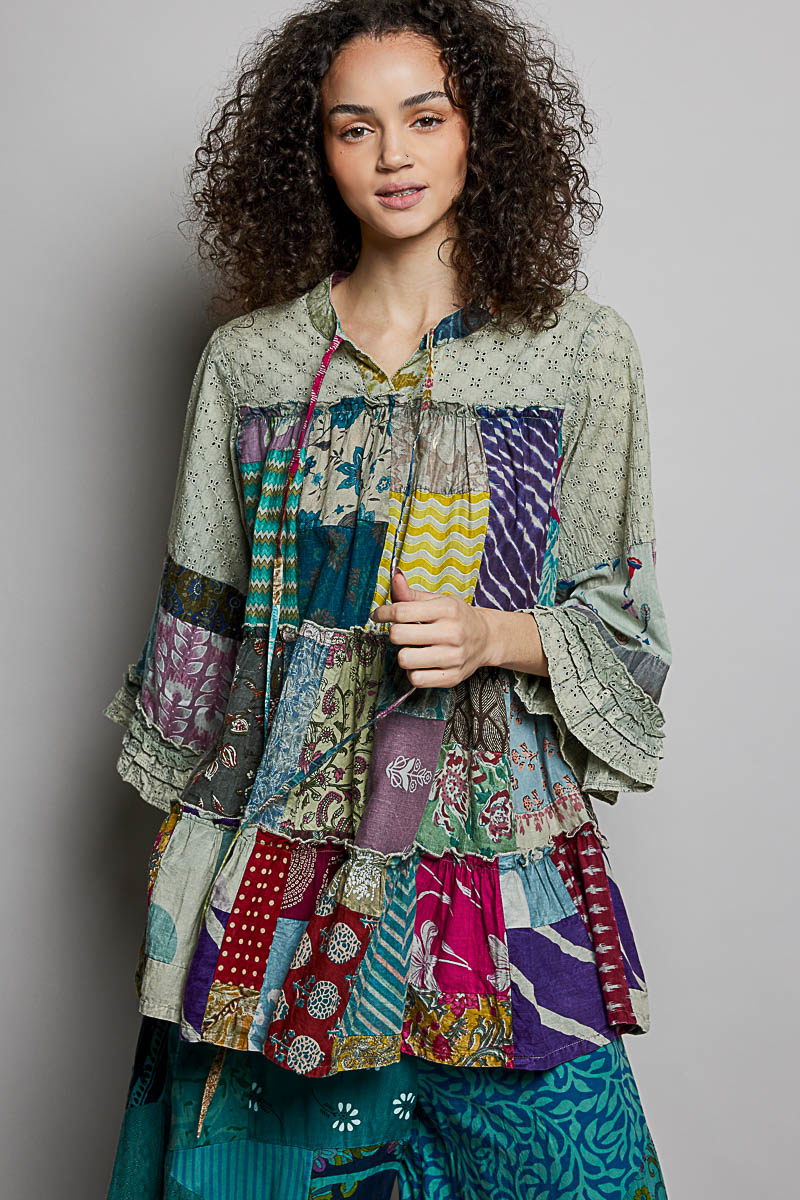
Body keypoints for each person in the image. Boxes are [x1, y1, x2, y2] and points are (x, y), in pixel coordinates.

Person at [103, 2, 672, 1196]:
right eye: (354, 127)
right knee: (274, 1173)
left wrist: (489, 634)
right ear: (313, 150)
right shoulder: (251, 360)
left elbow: (623, 631)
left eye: (424, 118)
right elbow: (202, 626)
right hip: (283, 860)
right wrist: (187, 858)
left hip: (489, 856)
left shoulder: (575, 351)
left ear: (479, 133)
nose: (392, 156)